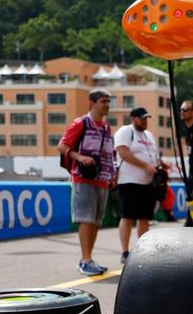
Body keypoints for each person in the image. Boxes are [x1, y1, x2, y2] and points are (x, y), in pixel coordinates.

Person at [57, 88, 116, 276]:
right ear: (92, 102)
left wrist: (112, 174)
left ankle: (89, 259)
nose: (107, 105)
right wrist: (80, 157)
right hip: (83, 177)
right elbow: (62, 146)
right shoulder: (80, 123)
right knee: (86, 219)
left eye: (108, 101)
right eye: (103, 101)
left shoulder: (106, 127)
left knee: (96, 222)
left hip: (102, 179)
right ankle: (85, 260)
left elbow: (109, 153)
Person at [114, 107, 164, 264]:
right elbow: (123, 153)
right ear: (133, 118)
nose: (144, 121)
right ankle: (125, 251)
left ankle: (142, 251)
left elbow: (154, 156)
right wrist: (145, 165)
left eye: (146, 118)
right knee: (127, 216)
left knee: (144, 218)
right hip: (129, 181)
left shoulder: (149, 135)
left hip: (148, 183)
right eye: (142, 118)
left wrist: (160, 166)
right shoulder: (125, 131)